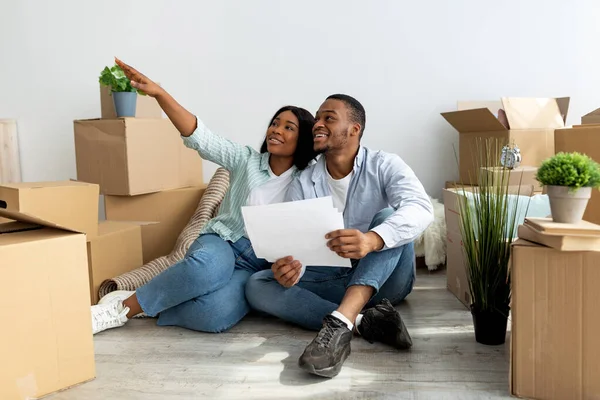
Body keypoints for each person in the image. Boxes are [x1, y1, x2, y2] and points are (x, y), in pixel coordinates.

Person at [91, 58, 318, 335]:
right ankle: (120, 309)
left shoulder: (309, 180)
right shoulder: (245, 159)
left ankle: (155, 301)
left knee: (212, 315)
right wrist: (160, 95)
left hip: (257, 265)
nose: (276, 130)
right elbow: (201, 136)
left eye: (288, 127)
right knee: (207, 269)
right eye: (275, 123)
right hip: (224, 242)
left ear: (303, 138)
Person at [245, 94, 434, 378]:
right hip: (336, 275)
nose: (317, 124)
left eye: (328, 118)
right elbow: (299, 245)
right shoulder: (304, 180)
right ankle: (358, 321)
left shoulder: (385, 164)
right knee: (258, 283)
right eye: (317, 118)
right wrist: (292, 270)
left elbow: (421, 208)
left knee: (387, 217)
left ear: (354, 129)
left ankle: (338, 324)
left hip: (388, 278)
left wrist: (371, 240)